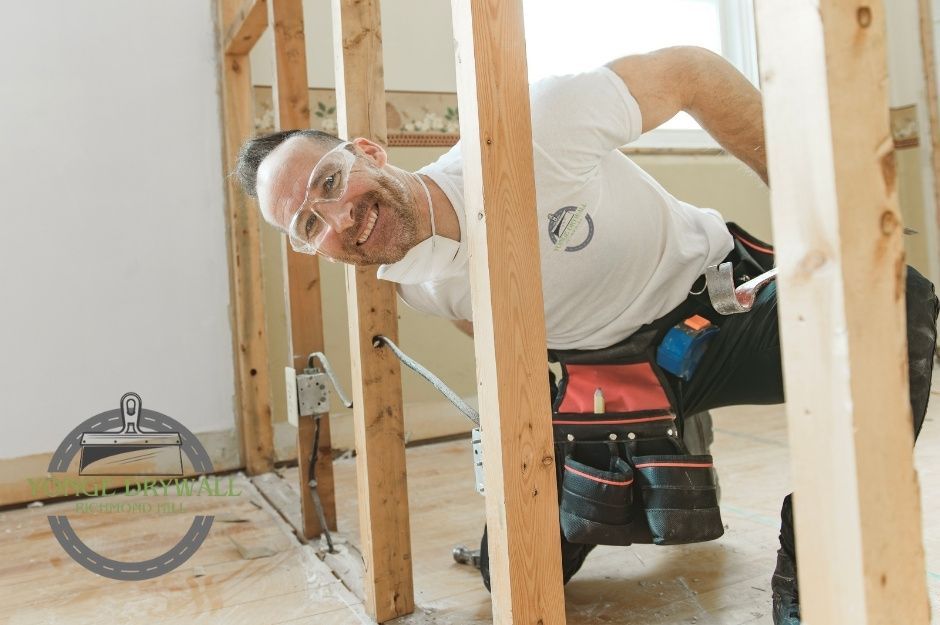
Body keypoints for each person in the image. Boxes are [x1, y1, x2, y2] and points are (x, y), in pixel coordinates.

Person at [233, 46, 938, 625]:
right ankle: (667, 435)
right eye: (308, 225)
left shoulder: (530, 128)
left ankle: (816, 543)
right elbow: (502, 342)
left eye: (330, 180)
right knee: (501, 569)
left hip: (720, 306)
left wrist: (806, 204)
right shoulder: (412, 278)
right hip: (607, 382)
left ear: (368, 151)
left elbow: (692, 71)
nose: (339, 217)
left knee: (897, 302)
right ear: (311, 249)